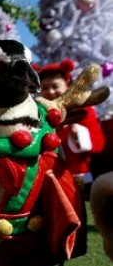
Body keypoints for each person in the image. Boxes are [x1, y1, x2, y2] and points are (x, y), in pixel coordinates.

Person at [35, 59, 106, 198]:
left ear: (67, 84)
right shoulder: (37, 112)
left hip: (79, 175)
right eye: (44, 88)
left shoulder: (84, 109)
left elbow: (98, 144)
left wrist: (78, 134)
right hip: (47, 175)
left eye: (55, 86)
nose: (50, 91)